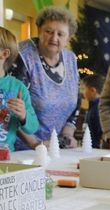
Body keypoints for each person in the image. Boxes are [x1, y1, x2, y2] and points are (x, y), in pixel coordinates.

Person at [10, 6, 79, 150]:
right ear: (39, 31)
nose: (54, 38)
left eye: (60, 34)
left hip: (54, 148)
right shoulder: (22, 56)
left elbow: (75, 102)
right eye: (49, 31)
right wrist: (35, 143)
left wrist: (67, 135)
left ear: (68, 38)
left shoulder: (71, 59)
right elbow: (9, 106)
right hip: (20, 149)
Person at [0, 27, 38, 151]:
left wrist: (23, 115)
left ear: (4, 54)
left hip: (6, 159)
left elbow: (33, 127)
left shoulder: (18, 88)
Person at [81, 74, 104, 149]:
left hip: (95, 148)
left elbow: (100, 132)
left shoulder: (97, 109)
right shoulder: (93, 107)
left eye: (84, 89)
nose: (82, 93)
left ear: (92, 90)